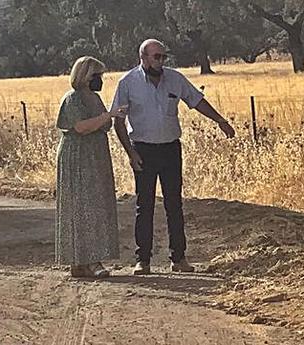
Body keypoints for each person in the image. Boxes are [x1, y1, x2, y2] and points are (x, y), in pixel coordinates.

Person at [112, 39, 236, 276]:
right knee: (144, 205)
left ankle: (178, 258)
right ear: (143, 58)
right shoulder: (128, 83)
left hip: (170, 149)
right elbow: (118, 122)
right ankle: (143, 260)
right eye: (156, 57)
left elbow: (196, 100)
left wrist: (220, 120)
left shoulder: (175, 79)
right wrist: (131, 153)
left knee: (174, 204)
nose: (161, 61)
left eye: (163, 57)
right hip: (143, 150)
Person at [55, 56, 128, 278]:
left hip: (95, 156)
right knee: (81, 206)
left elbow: (102, 124)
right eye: (97, 76)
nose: (100, 80)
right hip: (78, 157)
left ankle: (86, 261)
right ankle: (85, 260)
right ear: (86, 77)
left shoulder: (94, 98)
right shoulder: (73, 99)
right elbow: (81, 127)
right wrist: (108, 115)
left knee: (97, 204)